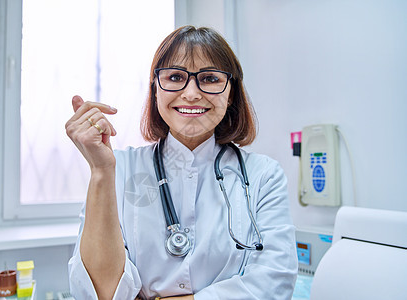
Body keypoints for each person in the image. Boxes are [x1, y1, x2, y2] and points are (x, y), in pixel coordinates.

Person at [66, 25, 297, 300]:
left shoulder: (263, 176)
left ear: (231, 92)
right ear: (156, 90)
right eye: (176, 77)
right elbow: (98, 293)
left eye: (210, 78)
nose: (191, 93)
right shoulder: (120, 168)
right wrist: (101, 172)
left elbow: (275, 283)